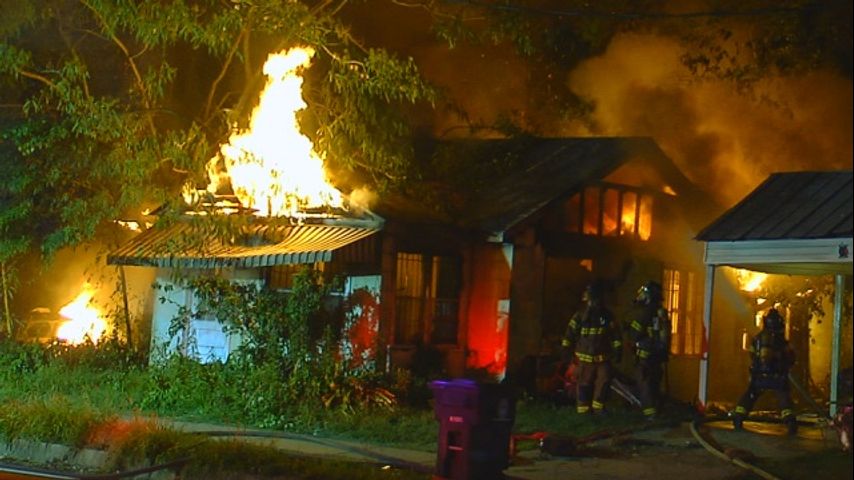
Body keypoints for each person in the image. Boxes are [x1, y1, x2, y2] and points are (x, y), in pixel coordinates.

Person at [732, 308, 797, 434]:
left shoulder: (757, 338)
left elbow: (752, 354)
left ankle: (738, 416)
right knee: (783, 397)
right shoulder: (781, 340)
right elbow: (790, 356)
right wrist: (785, 365)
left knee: (750, 395)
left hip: (759, 375)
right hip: (777, 376)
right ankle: (790, 422)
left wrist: (757, 367)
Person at [561, 282, 622, 415]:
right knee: (584, 383)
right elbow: (569, 334)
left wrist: (618, 350)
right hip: (584, 359)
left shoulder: (607, 316)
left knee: (604, 381)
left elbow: (616, 335)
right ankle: (583, 410)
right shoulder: (580, 316)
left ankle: (598, 408)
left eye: (595, 300)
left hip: (602, 358)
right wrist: (566, 351)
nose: (593, 303)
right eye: (591, 300)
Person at [629, 281, 671, 420]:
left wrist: (629, 329)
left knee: (644, 383)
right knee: (654, 384)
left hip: (645, 356)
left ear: (649, 296)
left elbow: (635, 334)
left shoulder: (645, 313)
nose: (640, 296)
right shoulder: (661, 312)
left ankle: (650, 414)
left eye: (643, 294)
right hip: (657, 356)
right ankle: (656, 411)